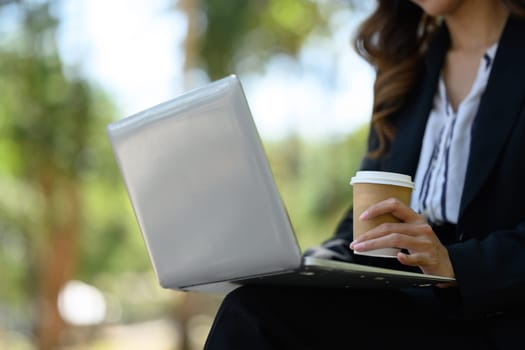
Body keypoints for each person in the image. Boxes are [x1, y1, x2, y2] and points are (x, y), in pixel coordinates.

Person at [204, 0, 525, 348]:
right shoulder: (405, 68)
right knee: (253, 308)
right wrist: (310, 265)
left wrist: (455, 263)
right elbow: (366, 217)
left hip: (498, 313)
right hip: (406, 306)